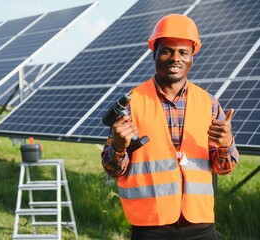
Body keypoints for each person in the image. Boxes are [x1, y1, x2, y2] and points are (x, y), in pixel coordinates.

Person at [101, 14, 239, 240]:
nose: (175, 58)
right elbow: (112, 169)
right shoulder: (132, 104)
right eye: (167, 50)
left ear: (192, 56)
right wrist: (117, 148)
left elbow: (224, 169)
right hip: (150, 226)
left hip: (200, 225)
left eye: (183, 52)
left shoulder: (209, 104)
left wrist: (226, 145)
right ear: (153, 53)